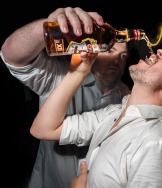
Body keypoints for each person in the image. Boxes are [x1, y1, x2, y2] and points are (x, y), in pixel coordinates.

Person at [30, 45, 162, 187]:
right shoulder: (114, 113)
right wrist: (78, 71)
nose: (161, 51)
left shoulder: (157, 146)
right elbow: (43, 129)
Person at [0, 7, 132, 188]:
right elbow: (13, 57)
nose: (117, 59)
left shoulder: (125, 96)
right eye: (110, 51)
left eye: (123, 56)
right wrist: (48, 26)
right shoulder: (63, 76)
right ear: (94, 48)